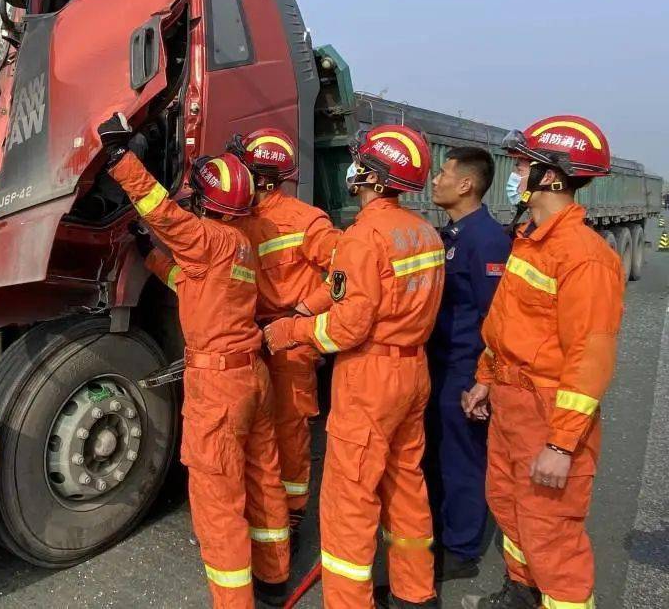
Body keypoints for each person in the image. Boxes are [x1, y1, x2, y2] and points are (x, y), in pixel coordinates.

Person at [97, 114, 290, 608]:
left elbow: (161, 212)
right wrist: (153, 257)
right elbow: (193, 286)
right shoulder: (238, 244)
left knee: (218, 499)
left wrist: (121, 160)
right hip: (253, 376)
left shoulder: (206, 239)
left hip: (219, 388)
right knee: (262, 477)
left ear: (206, 204)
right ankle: (273, 578)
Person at [264, 125, 444, 609]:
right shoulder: (423, 232)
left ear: (369, 174)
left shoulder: (363, 237)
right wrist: (309, 305)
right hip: (413, 370)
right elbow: (361, 290)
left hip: (370, 376)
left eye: (361, 161)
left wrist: (292, 332)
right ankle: (415, 594)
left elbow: (347, 327)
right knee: (407, 483)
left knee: (351, 499)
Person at [461, 116, 624, 609]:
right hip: (512, 407)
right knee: (512, 511)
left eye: (523, 163)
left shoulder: (583, 257)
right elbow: (509, 327)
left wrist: (560, 443)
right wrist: (485, 381)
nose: (515, 171)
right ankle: (522, 593)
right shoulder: (532, 240)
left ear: (552, 176)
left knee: (552, 537)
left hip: (547, 414)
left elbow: (589, 359)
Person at [227, 128, 342, 535]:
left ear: (262, 176)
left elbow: (346, 276)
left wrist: (299, 314)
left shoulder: (307, 222)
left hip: (290, 345)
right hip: (252, 339)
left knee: (290, 430)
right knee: (254, 428)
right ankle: (262, 506)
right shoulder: (238, 219)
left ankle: (292, 513)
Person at [425, 147, 512, 580]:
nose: (435, 180)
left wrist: (486, 380)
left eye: (443, 173)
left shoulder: (488, 240)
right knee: (438, 456)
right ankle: (441, 535)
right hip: (440, 364)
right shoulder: (453, 234)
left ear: (466, 184)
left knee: (462, 460)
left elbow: (496, 318)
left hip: (465, 368)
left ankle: (461, 551)